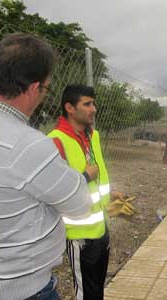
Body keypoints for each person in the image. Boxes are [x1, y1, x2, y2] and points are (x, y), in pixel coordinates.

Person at [0, 33, 92, 300]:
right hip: (21, 289)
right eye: (47, 88)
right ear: (34, 88)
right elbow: (80, 204)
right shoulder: (27, 145)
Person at [48, 84, 121, 300]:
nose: (94, 109)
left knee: (97, 288)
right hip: (79, 234)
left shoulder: (93, 136)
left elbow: (98, 178)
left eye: (94, 103)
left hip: (101, 226)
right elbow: (55, 189)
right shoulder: (55, 140)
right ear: (70, 108)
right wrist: (85, 176)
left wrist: (110, 193)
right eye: (87, 104)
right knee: (85, 291)